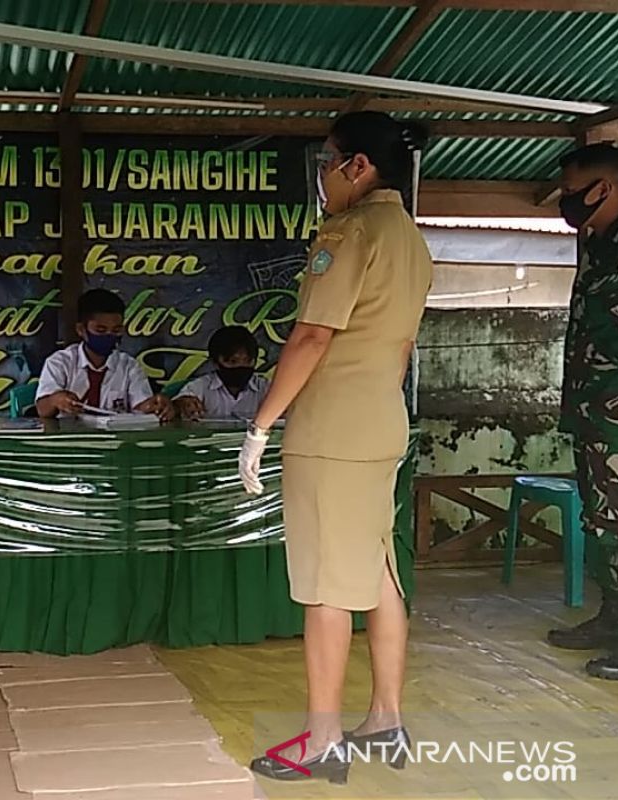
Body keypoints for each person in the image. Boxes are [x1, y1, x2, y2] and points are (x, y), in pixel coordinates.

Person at [240, 112, 432, 784]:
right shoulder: (410, 239)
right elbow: (402, 347)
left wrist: (261, 424)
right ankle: (385, 717)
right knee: (378, 571)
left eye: (327, 161)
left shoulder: (348, 232)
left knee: (326, 588)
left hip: (333, 433)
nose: (321, 177)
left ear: (357, 167)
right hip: (381, 422)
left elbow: (313, 336)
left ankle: (323, 739)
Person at [544, 143, 618, 681]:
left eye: (572, 189)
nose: (566, 200)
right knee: (600, 521)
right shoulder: (597, 247)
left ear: (604, 188)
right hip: (593, 413)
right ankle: (616, 617)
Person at [35, 289, 172, 421]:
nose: (109, 336)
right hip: (68, 437)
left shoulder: (129, 366)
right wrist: (56, 400)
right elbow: (42, 409)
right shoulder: (60, 362)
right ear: (81, 330)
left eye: (116, 330)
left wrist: (153, 406)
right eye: (101, 330)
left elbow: (140, 407)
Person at [173, 326, 269, 421]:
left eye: (247, 361)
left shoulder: (265, 388)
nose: (241, 366)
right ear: (215, 362)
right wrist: (180, 405)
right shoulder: (200, 386)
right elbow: (180, 404)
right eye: (233, 361)